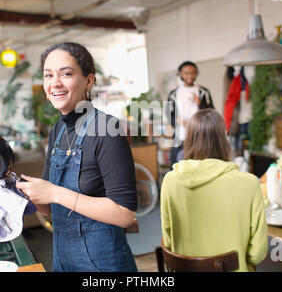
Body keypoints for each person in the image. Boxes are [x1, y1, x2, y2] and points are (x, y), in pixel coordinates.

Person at [16, 42, 138, 272]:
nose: (55, 83)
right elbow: (52, 208)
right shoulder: (58, 130)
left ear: (89, 81)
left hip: (103, 264)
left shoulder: (106, 129)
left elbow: (124, 214)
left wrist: (54, 192)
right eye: (48, 75)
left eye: (66, 74)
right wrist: (24, 192)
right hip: (63, 259)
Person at [160, 108, 268, 272]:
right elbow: (257, 254)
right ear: (224, 138)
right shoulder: (250, 183)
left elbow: (168, 242)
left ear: (189, 139)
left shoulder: (170, 181)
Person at [166, 61, 214, 164]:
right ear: (181, 74)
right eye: (186, 73)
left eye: (193, 73)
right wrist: (177, 121)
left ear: (196, 73)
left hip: (200, 136)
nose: (190, 76)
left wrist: (200, 104)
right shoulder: (174, 94)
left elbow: (211, 113)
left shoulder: (203, 92)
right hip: (180, 137)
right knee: (176, 163)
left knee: (200, 163)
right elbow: (169, 115)